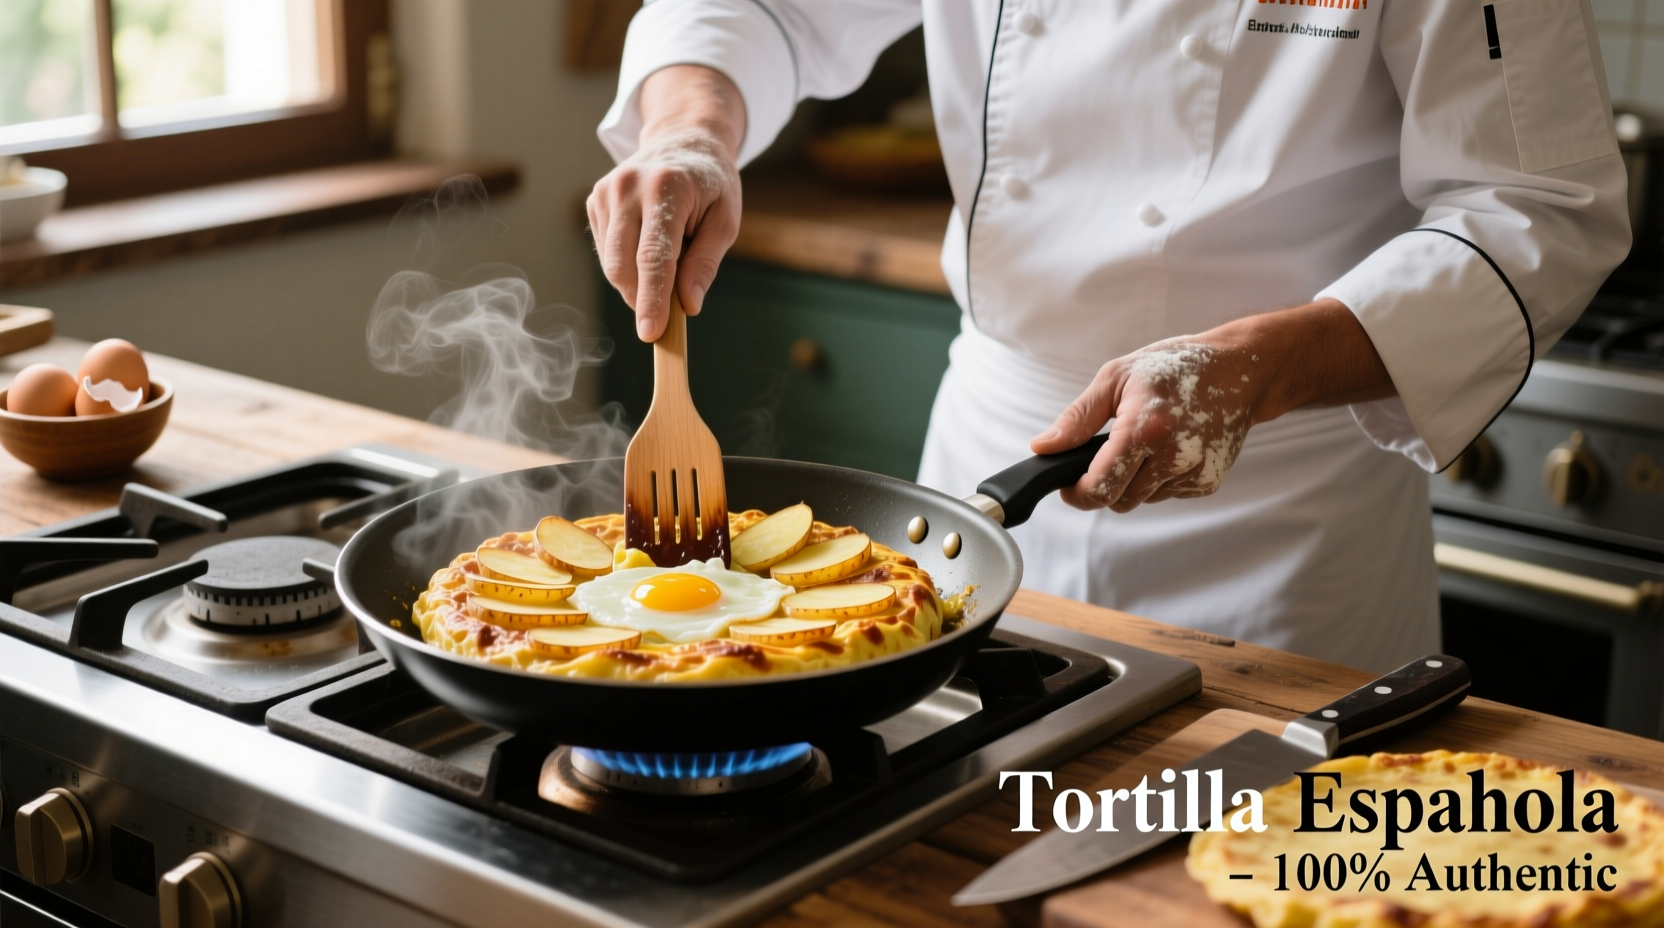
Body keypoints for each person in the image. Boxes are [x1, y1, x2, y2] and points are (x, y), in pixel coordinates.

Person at [585, 2, 1628, 671]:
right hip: (988, 475)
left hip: (1283, 526)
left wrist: (1263, 363)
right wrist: (690, 130)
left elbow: (1536, 203)